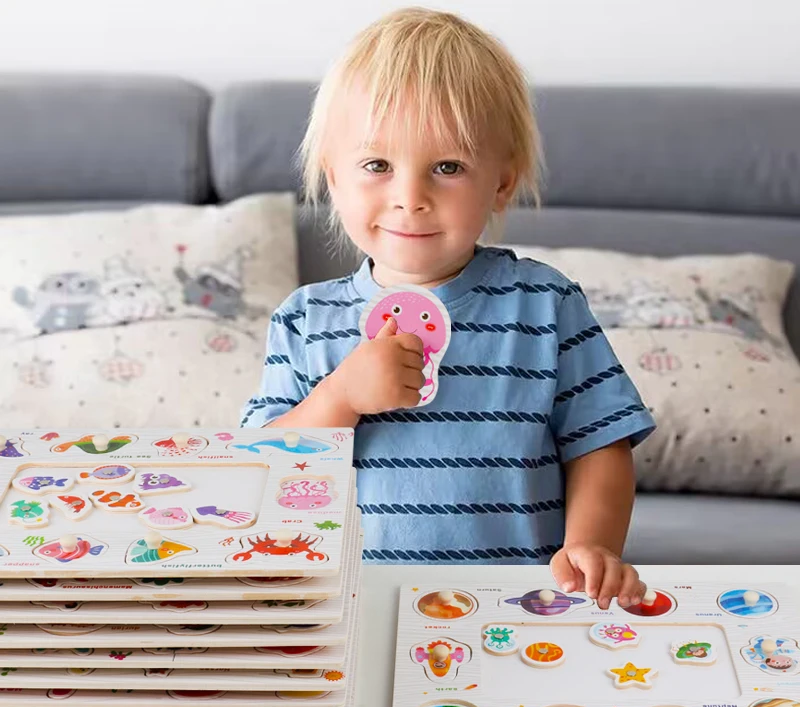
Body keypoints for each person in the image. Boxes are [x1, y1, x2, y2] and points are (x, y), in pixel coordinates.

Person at [242, 7, 656, 609]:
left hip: (518, 609)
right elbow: (264, 468)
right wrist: (339, 399)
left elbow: (599, 444)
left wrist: (591, 546)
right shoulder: (306, 320)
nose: (410, 198)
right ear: (334, 178)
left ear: (501, 183)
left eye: (448, 167)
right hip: (352, 610)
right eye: (376, 165)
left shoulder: (545, 303)